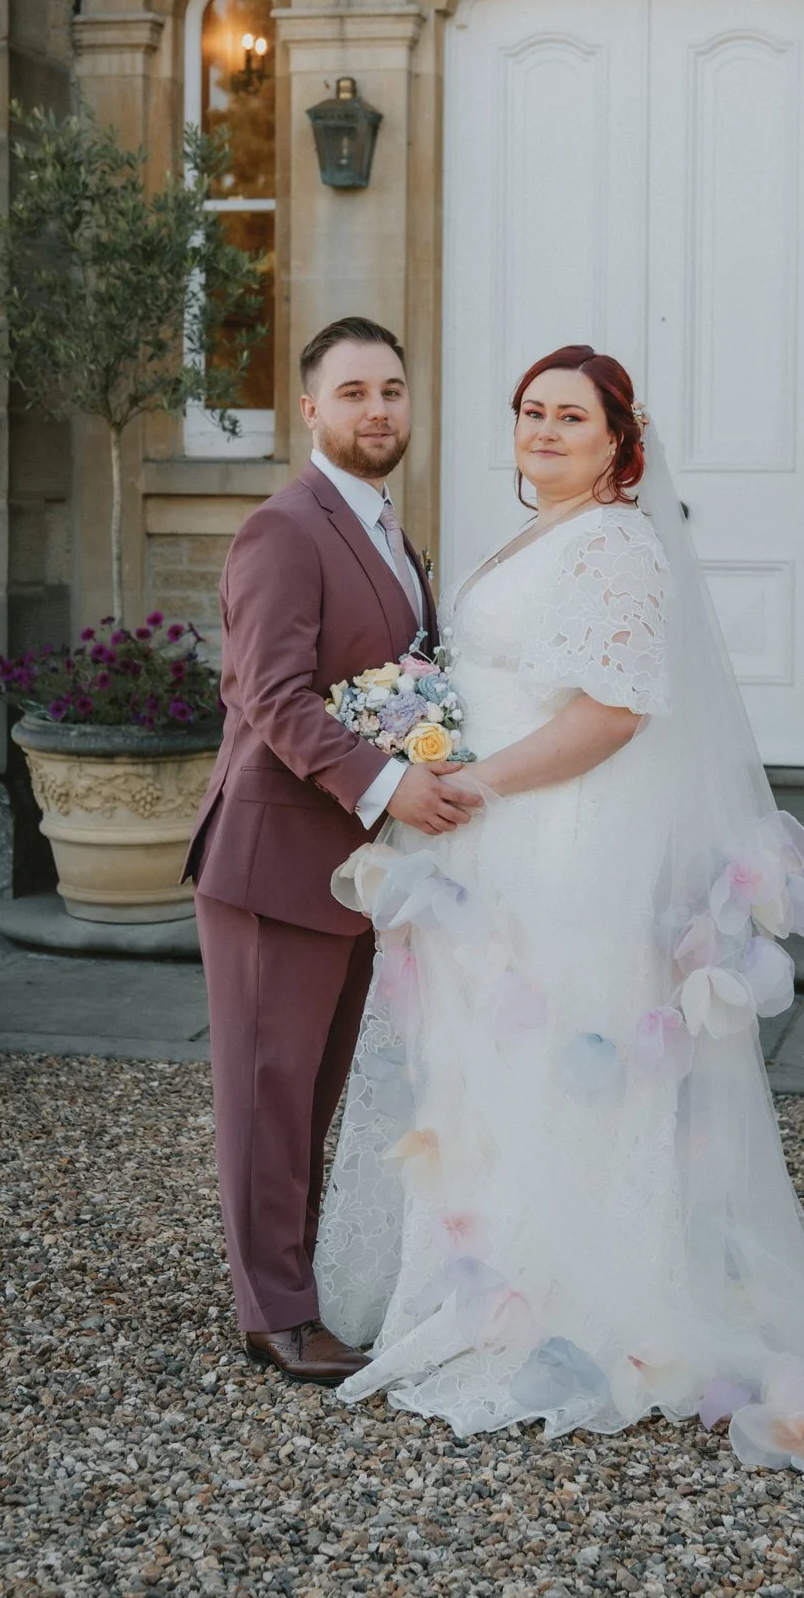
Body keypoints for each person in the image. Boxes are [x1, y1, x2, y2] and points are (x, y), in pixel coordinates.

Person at [316, 344, 804, 1525]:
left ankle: (575, 1296)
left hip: (560, 842)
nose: (543, 430)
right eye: (531, 411)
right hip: (489, 846)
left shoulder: (620, 545)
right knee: (484, 1060)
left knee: (562, 1057)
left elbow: (614, 715)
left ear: (618, 439)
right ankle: (483, 1281)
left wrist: (474, 779)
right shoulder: (533, 532)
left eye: (570, 415)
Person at [184, 316, 483, 1386]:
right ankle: (272, 1313)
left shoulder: (391, 532)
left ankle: (296, 1281)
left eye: (391, 390)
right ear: (310, 408)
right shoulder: (284, 529)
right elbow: (271, 695)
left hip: (349, 866)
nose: (378, 409)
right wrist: (392, 782)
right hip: (273, 859)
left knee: (310, 1093)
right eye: (353, 392)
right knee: (268, 1094)